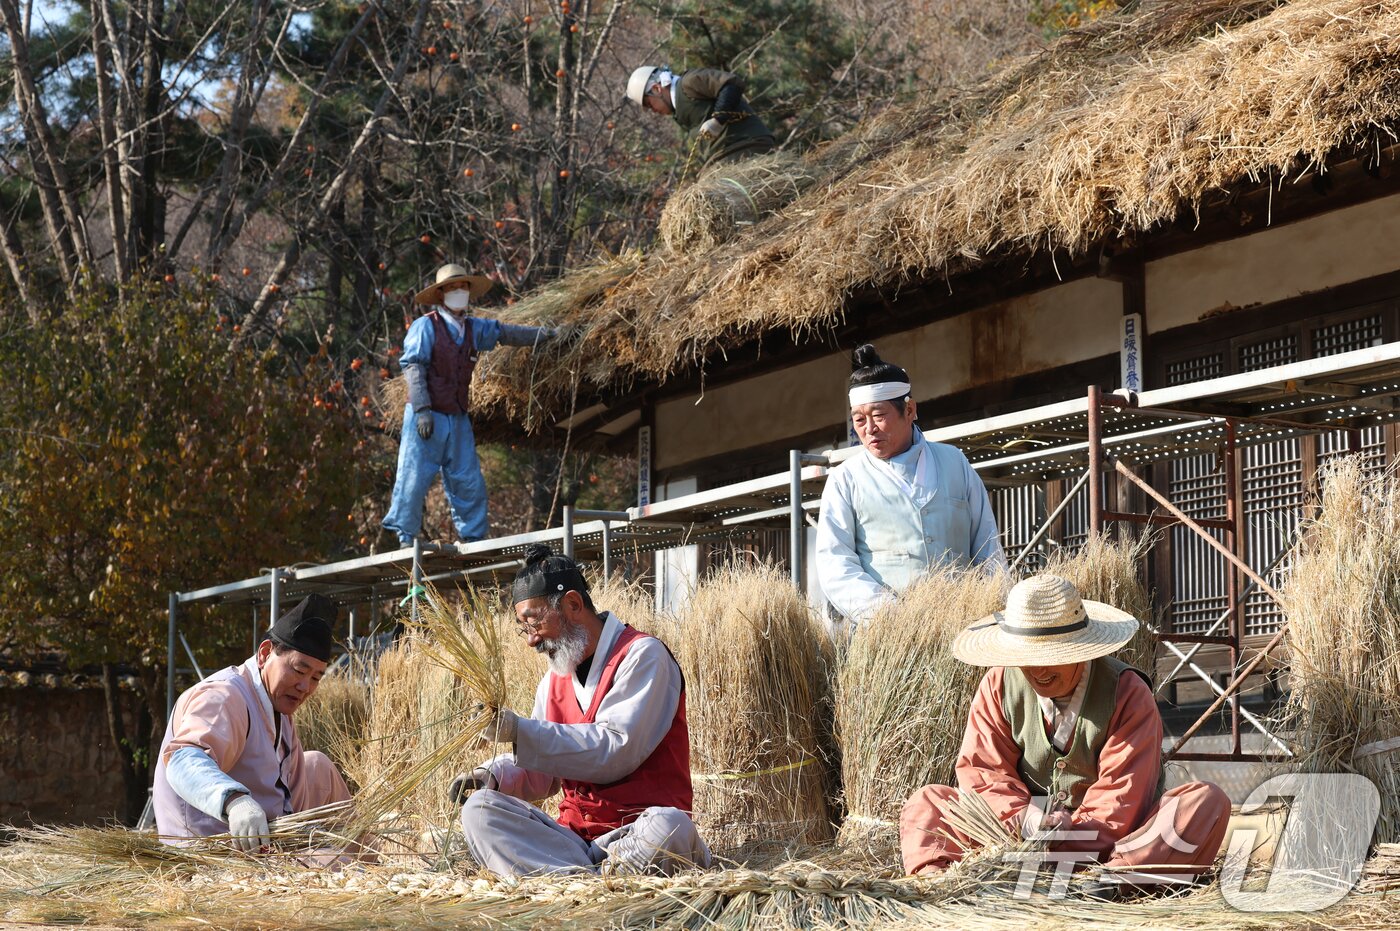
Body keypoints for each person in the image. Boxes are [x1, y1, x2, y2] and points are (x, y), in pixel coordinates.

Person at [899, 575, 1231, 898]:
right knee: (928, 803)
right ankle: (940, 887)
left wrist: (1070, 830)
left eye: (1051, 658)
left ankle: (1109, 883)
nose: (1038, 672)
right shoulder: (999, 684)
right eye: (1027, 659)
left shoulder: (1127, 693)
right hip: (1011, 841)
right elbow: (983, 773)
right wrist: (1027, 821)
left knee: (1206, 802)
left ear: (1083, 649)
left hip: (1108, 846)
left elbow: (1121, 798)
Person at [450, 544, 711, 876]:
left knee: (670, 826)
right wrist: (492, 776)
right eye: (524, 628)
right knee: (480, 810)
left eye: (534, 622)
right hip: (574, 842)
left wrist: (520, 731)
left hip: (637, 835)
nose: (532, 640)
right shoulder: (554, 681)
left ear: (573, 604)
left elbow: (615, 750)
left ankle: (586, 879)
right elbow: (544, 768)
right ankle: (580, 881)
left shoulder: (643, 656)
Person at [815, 343, 1006, 626]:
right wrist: (892, 616)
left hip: (965, 627)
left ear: (910, 409)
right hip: (887, 635)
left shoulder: (955, 463)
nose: (869, 429)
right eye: (859, 419)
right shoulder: (846, 479)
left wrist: (992, 611)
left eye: (879, 416)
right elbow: (835, 563)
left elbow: (988, 547)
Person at [153, 594, 351, 849]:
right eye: (299, 670)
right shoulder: (225, 696)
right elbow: (183, 759)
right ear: (265, 653)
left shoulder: (278, 705)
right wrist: (235, 802)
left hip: (266, 834)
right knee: (335, 866)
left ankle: (374, 866)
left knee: (318, 767)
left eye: (316, 678)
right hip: (213, 846)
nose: (305, 686)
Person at [381, 263, 559, 548]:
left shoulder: (474, 329)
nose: (459, 292)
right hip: (426, 414)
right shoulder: (426, 326)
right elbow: (413, 366)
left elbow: (505, 333)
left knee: (468, 479)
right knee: (413, 476)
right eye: (453, 288)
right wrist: (422, 410)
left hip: (457, 415)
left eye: (463, 287)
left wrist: (543, 335)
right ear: (441, 295)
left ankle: (474, 536)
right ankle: (406, 536)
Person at [625, 66, 776, 169]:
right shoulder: (679, 111)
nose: (653, 111)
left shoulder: (689, 82)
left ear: (657, 89)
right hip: (725, 159)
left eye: (649, 104)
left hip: (746, 146)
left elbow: (730, 84)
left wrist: (718, 120)